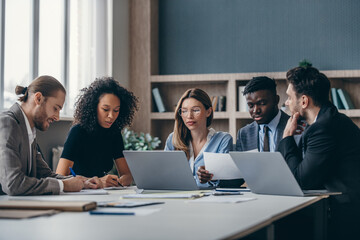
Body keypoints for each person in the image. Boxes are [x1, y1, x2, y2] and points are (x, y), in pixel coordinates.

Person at [278, 66, 360, 239]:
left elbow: (301, 180)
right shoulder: (329, 119)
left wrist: (287, 137)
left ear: (304, 101)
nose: (286, 103)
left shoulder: (323, 128)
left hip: (344, 216)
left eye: (289, 97)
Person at [0, 75, 101, 196]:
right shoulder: (8, 123)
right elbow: (13, 184)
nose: (57, 117)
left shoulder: (28, 130)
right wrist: (65, 185)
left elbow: (46, 175)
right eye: (55, 108)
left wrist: (83, 182)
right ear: (38, 98)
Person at [56, 77, 138, 187]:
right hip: (79, 191)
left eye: (116, 110)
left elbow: (127, 175)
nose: (111, 116)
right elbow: (60, 175)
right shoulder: (78, 131)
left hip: (102, 192)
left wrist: (119, 181)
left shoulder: (114, 133)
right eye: (105, 109)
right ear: (94, 107)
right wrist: (98, 181)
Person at [164, 88, 233, 187]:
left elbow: (223, 181)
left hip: (210, 200)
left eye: (196, 110)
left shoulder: (223, 140)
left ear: (208, 111)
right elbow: (165, 176)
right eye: (184, 111)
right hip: (179, 197)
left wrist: (209, 178)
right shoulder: (173, 139)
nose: (189, 116)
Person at [236, 76, 290, 152]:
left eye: (262, 103)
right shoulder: (244, 134)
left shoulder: (295, 127)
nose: (255, 111)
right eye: (251, 106)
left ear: (276, 100)